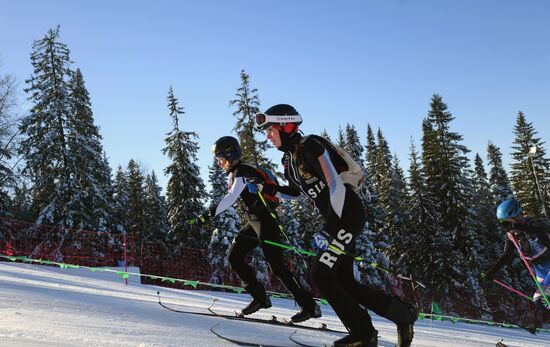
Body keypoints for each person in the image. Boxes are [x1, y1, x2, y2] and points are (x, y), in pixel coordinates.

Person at [256, 104, 418, 347]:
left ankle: (363, 335)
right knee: (343, 281)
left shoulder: (310, 146)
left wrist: (329, 229)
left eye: (270, 130)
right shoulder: (288, 160)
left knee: (321, 275)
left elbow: (335, 185)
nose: (267, 136)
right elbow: (299, 193)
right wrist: (269, 189)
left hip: (347, 215)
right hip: (339, 217)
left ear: (285, 125)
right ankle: (401, 315)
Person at [190, 135, 321, 322]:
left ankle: (310, 307)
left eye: (221, 159)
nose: (219, 163)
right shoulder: (236, 174)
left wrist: (206, 215)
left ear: (231, 155)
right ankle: (260, 298)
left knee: (277, 267)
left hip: (266, 222)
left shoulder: (242, 172)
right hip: (254, 223)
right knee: (234, 257)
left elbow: (230, 199)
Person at [484, 198, 550, 310]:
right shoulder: (512, 236)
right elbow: (506, 255)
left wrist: (521, 228)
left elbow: (541, 231)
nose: (508, 227)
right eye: (504, 224)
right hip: (541, 272)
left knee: (543, 301)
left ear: (518, 216)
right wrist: (491, 273)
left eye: (508, 222)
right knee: (539, 302)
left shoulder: (535, 224)